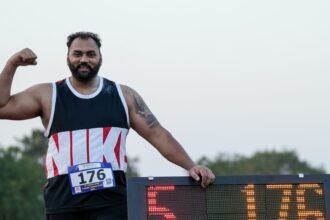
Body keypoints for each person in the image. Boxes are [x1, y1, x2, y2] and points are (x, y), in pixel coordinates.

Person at [0, 31, 215, 220]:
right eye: (77, 54)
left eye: (90, 54)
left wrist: (190, 165)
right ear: (68, 57)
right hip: (63, 198)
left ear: (100, 57)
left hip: (111, 200)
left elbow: (157, 134)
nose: (84, 59)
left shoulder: (123, 96)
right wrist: (12, 64)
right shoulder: (48, 94)